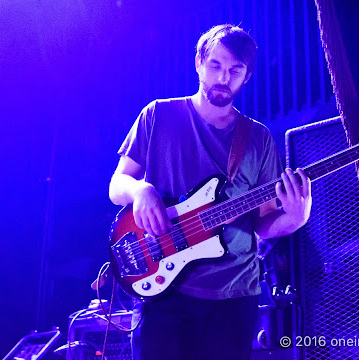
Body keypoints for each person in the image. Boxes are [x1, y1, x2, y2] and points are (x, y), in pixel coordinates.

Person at [108, 24, 312, 360]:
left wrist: (295, 217)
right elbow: (118, 185)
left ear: (246, 77)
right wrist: (141, 190)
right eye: (215, 65)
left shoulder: (258, 138)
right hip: (163, 287)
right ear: (199, 63)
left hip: (233, 296)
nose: (223, 77)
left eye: (235, 70)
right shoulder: (159, 114)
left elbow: (262, 225)